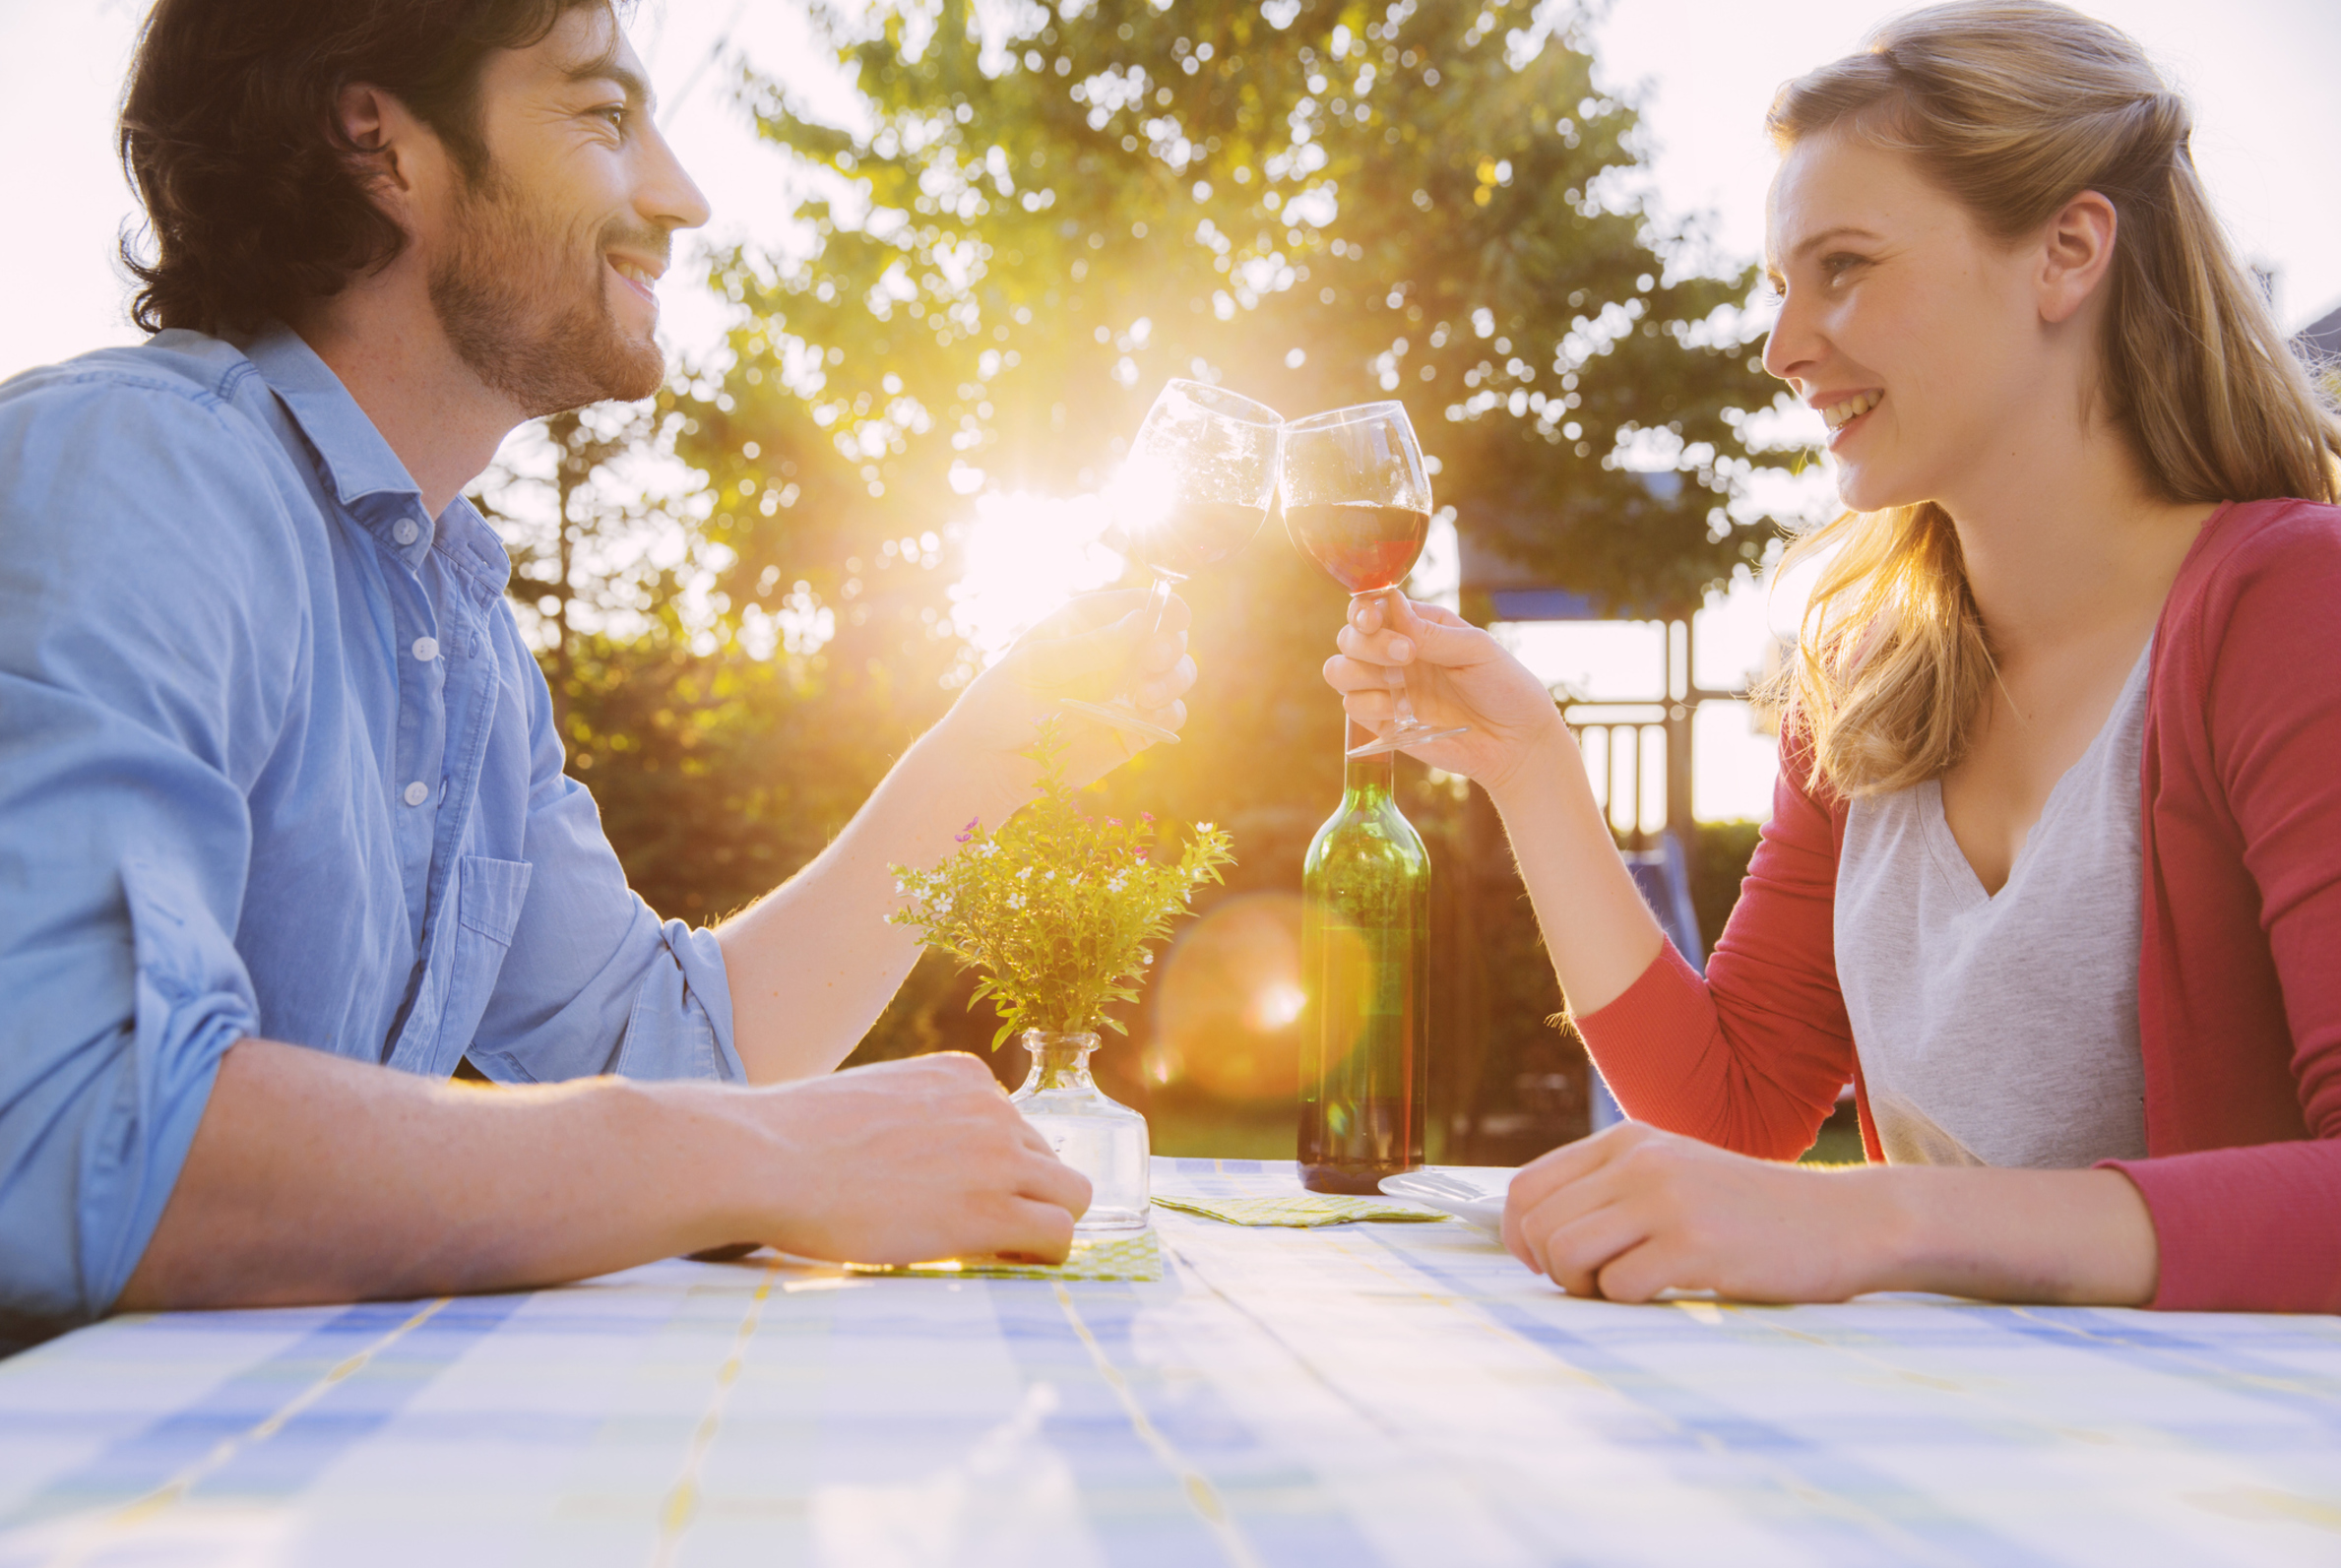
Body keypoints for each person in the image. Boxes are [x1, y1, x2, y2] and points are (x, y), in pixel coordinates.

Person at [0, 0, 1196, 1341]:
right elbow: (62, 1131)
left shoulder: (456, 638)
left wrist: (999, 742)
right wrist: (768, 1157)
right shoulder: (136, 474)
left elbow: (675, 1051)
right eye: (604, 115)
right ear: (378, 144)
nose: (681, 199)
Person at [1327, 0, 2341, 1312]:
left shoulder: (2288, 604)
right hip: (1942, 1422)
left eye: (1844, 266)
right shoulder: (1869, 675)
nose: (1781, 348)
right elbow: (1732, 1106)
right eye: (1778, 286)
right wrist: (1529, 766)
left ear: (2067, 251)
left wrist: (1883, 1217)